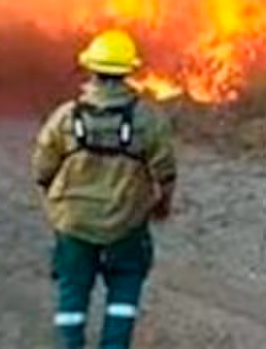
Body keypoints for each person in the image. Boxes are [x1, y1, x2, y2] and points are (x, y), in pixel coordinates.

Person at [32, 29, 177, 349]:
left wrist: (55, 202)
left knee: (72, 292)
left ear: (90, 69)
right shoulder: (148, 119)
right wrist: (162, 204)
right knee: (125, 288)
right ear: (129, 71)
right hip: (126, 224)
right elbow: (165, 171)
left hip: (73, 223)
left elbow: (42, 168)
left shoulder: (66, 117)